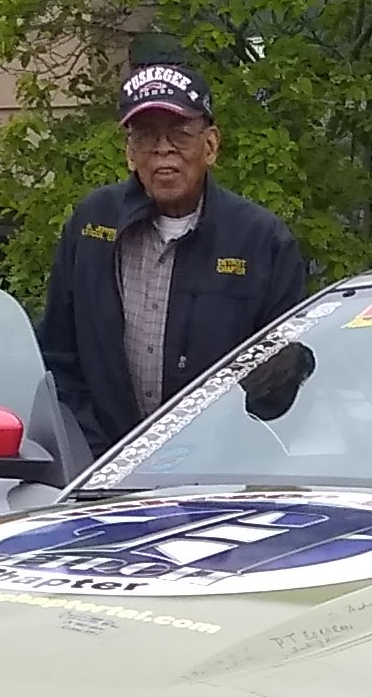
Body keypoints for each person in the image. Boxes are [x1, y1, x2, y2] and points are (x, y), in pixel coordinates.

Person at [38, 62, 310, 451]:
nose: (163, 151)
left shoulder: (260, 239)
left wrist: (229, 449)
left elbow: (283, 376)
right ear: (130, 153)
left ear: (210, 145)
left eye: (180, 135)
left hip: (221, 472)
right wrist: (92, 454)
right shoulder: (91, 224)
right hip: (103, 469)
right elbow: (57, 358)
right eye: (146, 137)